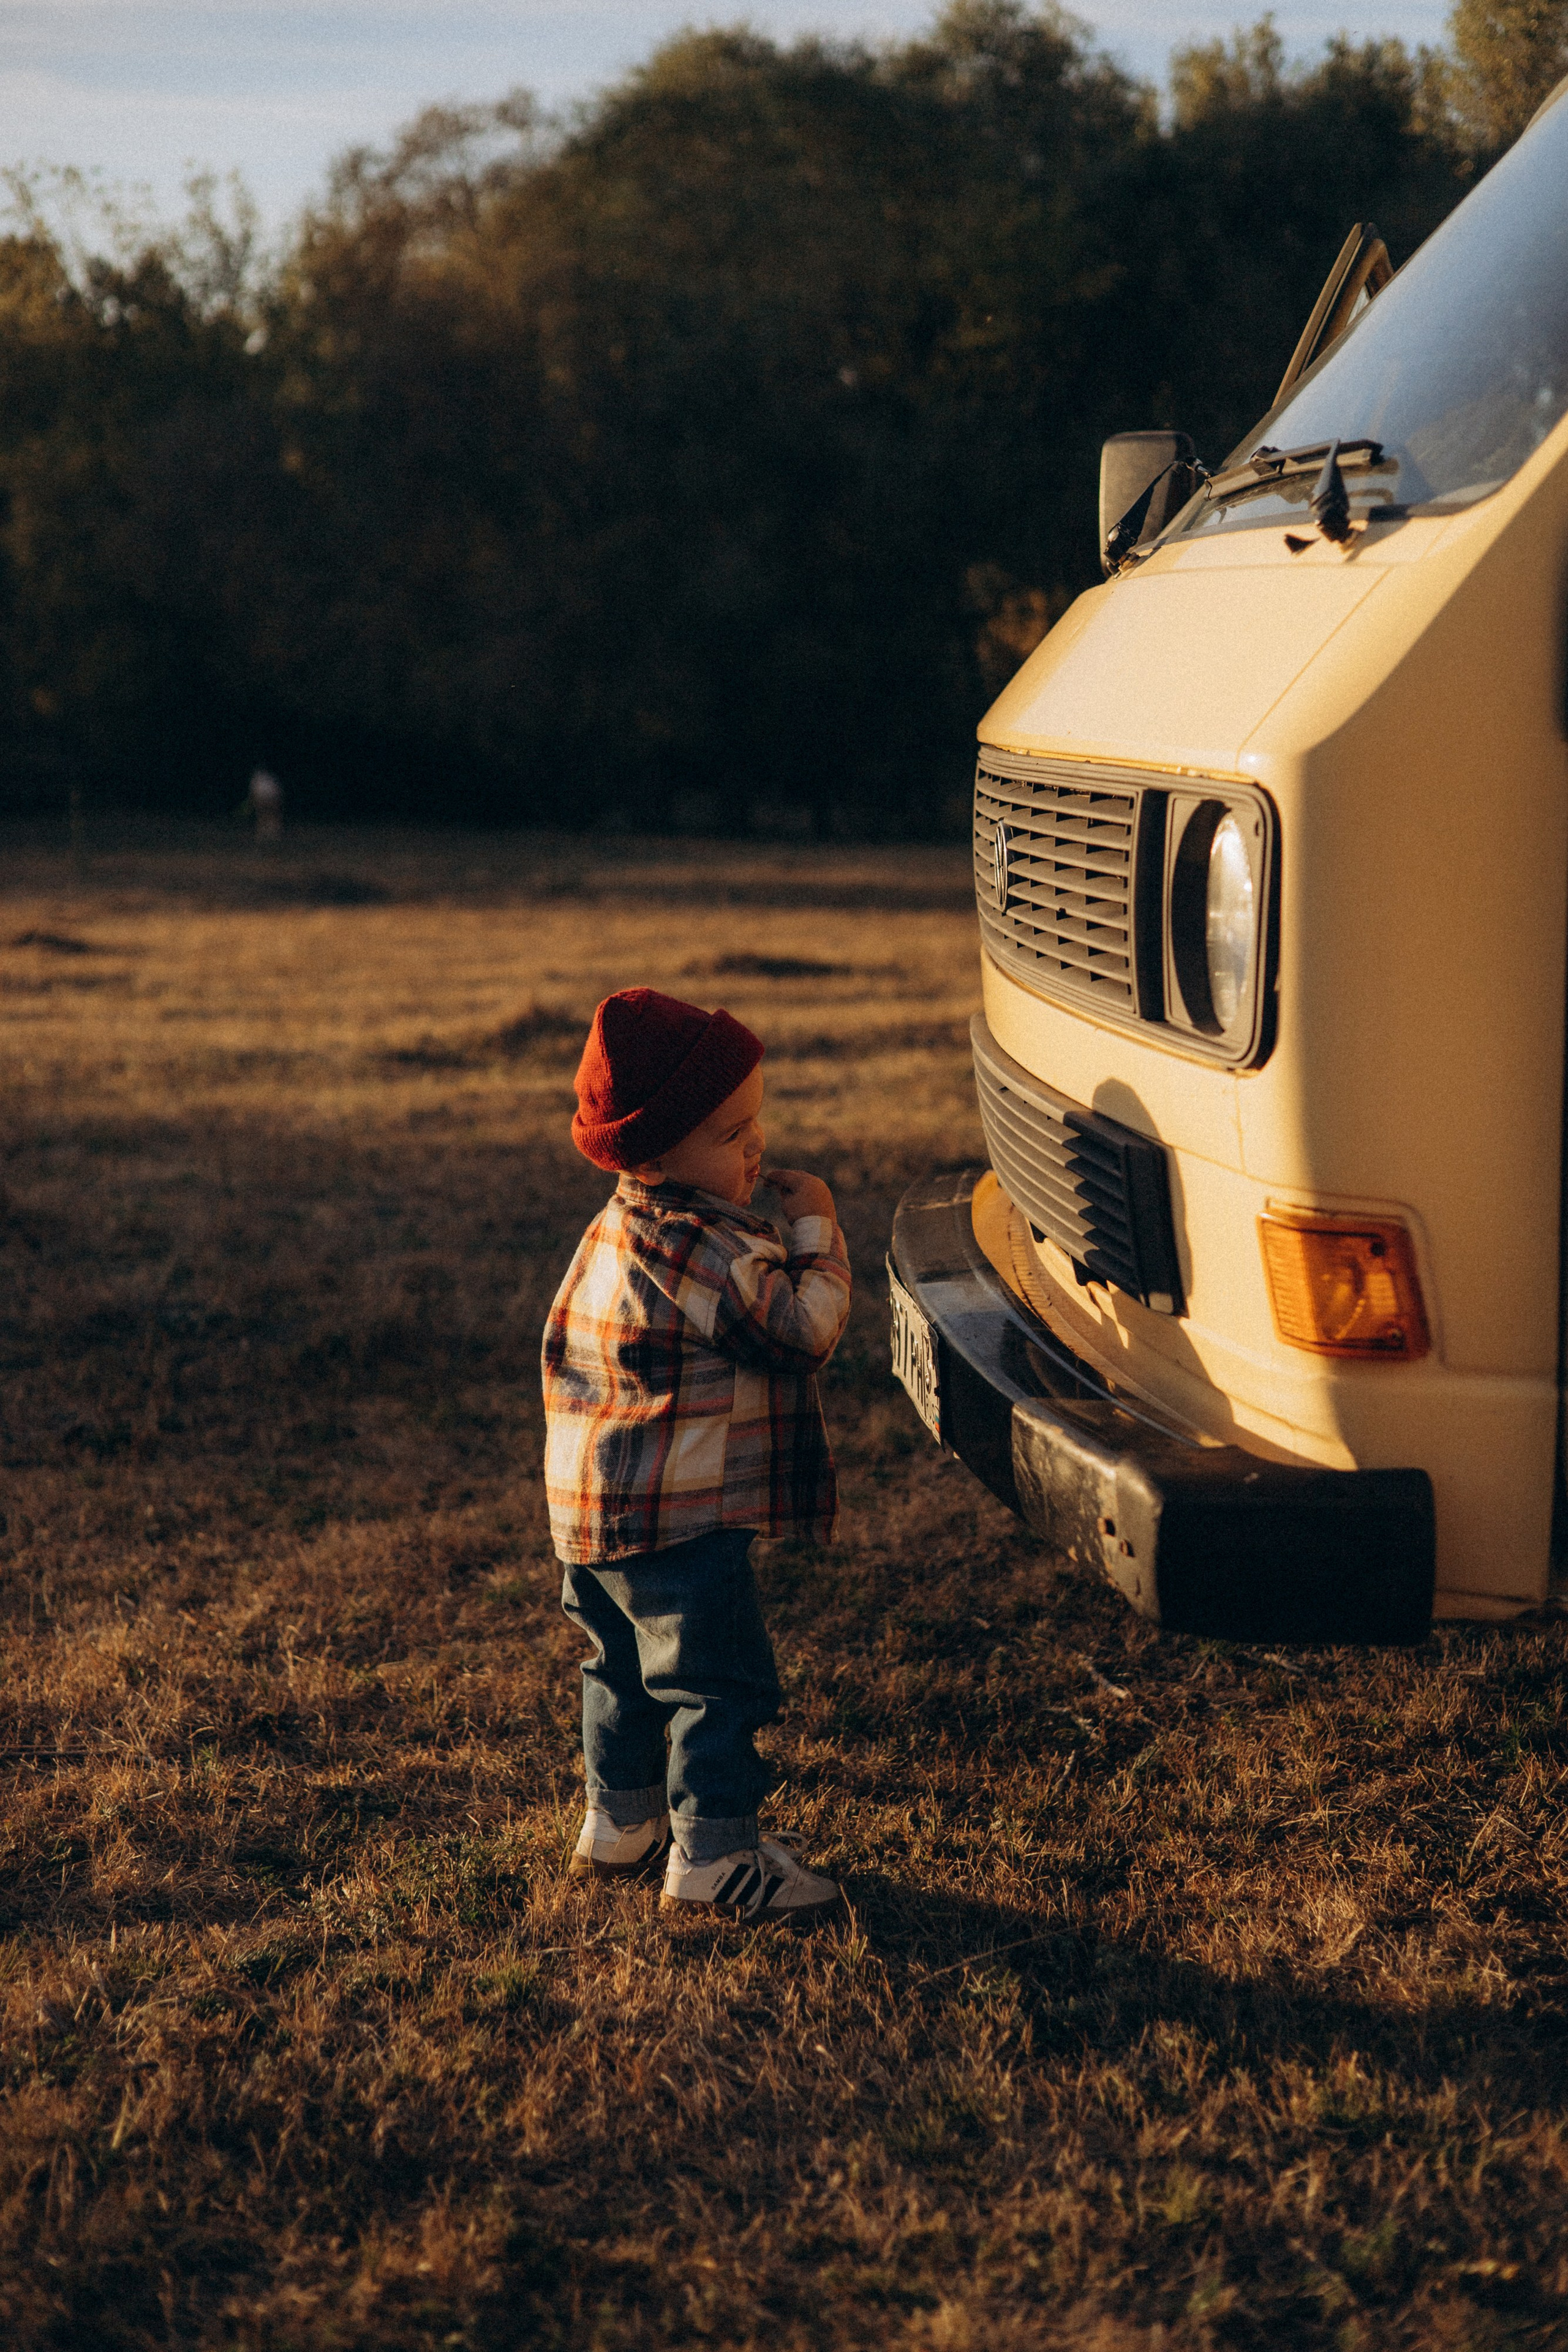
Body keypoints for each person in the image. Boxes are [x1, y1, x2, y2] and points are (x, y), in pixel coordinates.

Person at [542, 986, 852, 1926]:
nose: (756, 1147)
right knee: (717, 1680)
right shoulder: (702, 1250)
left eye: (757, 1122)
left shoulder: (618, 1226)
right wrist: (819, 1234)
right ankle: (715, 1856)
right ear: (657, 1150)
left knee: (621, 1667)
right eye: (732, 1133)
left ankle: (621, 1821)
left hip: (592, 1512)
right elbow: (802, 1332)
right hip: (679, 1516)